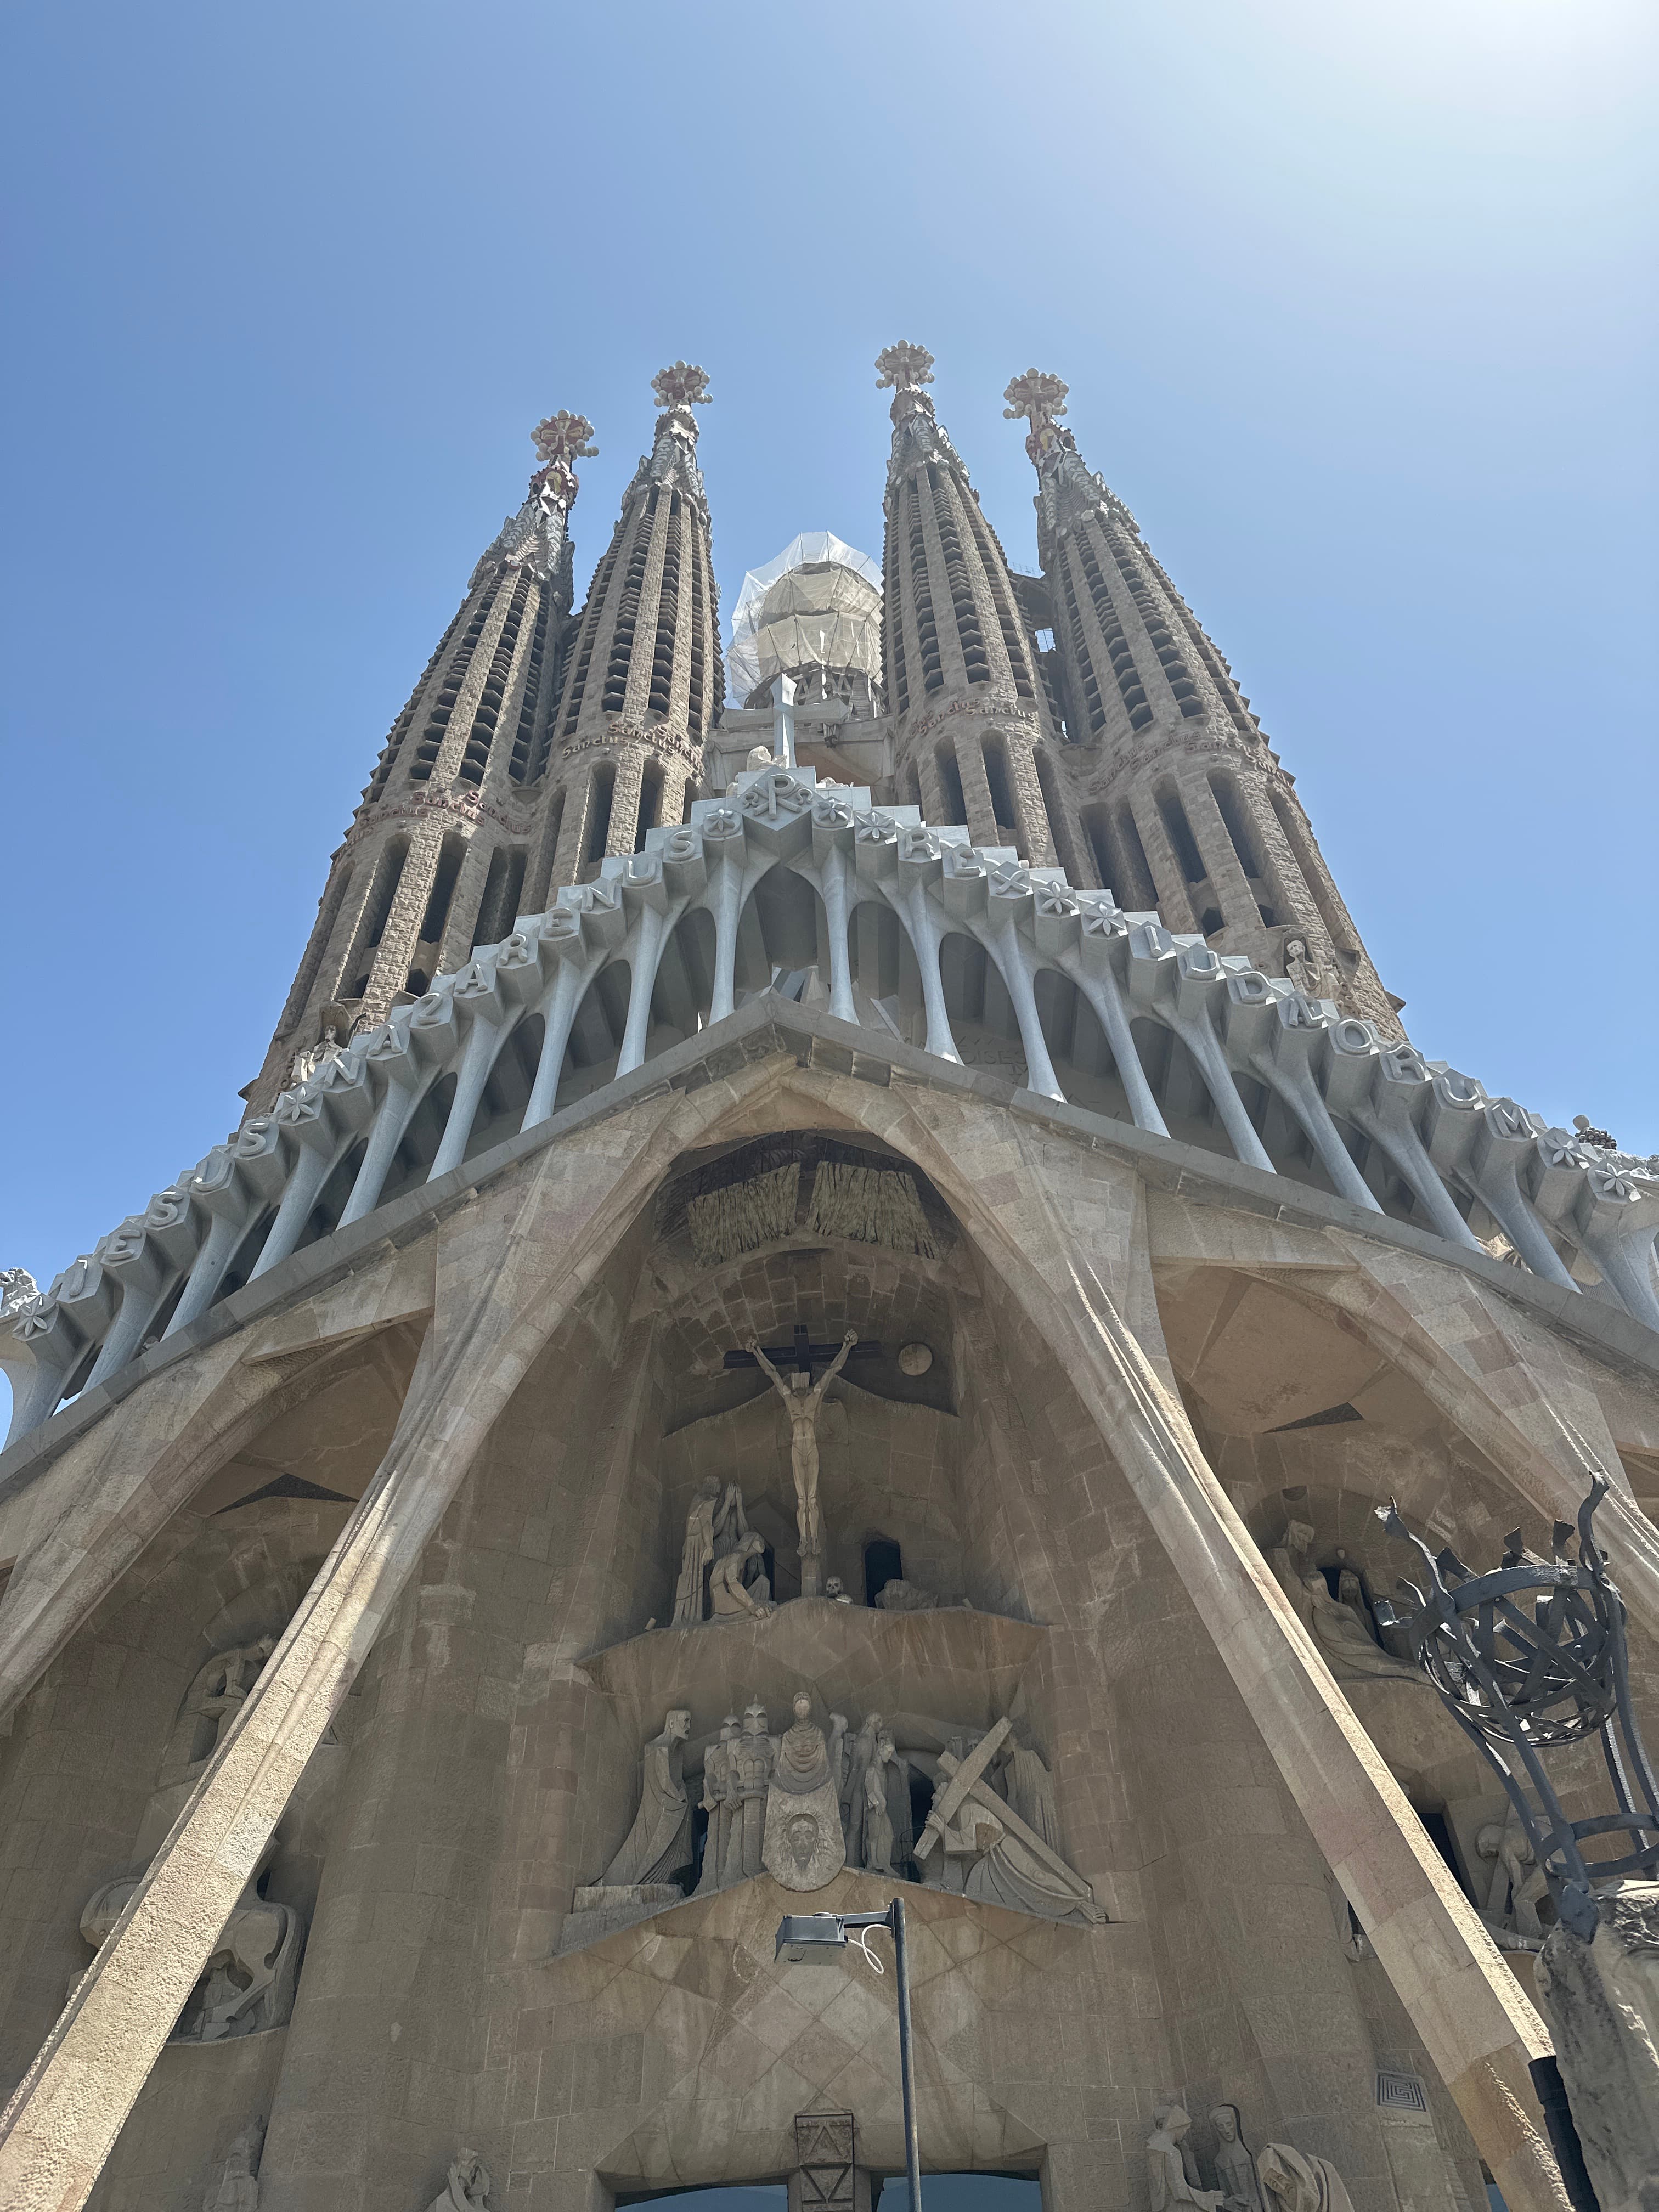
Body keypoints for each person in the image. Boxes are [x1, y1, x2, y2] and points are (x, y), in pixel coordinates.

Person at [748, 1328, 859, 1561]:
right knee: (802, 1500)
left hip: (811, 1447)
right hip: (797, 1448)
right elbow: (773, 1374)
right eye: (797, 1387)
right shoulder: (789, 1400)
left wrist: (847, 1346)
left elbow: (833, 1370)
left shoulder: (814, 1397)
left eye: (801, 1387)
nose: (798, 1389)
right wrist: (757, 1351)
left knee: (812, 1500)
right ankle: (804, 1540)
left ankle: (815, 1540)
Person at [601, 1711, 693, 1887]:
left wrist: (682, 1790)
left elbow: (676, 1780)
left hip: (670, 1803)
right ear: (672, 1723)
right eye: (685, 1721)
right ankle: (643, 1878)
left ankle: (666, 1874)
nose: (688, 1727)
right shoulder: (659, 1747)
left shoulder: (676, 1751)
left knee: (684, 1810)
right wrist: (680, 1794)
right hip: (659, 1807)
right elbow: (665, 1782)